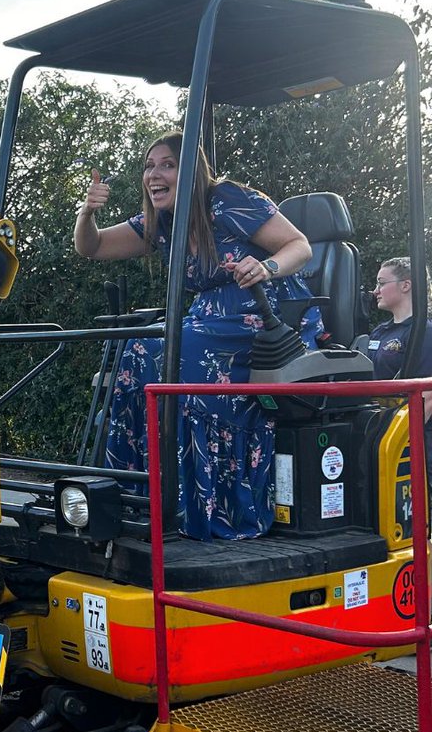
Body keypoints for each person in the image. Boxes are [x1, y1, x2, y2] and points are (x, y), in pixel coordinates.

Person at [74, 131, 321, 541]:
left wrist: (267, 268)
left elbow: (300, 246)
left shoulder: (226, 198)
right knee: (136, 350)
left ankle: (207, 509)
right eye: (149, 166)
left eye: (167, 164)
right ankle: (142, 497)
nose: (155, 173)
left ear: (191, 169)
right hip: (207, 321)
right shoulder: (164, 221)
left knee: (180, 357)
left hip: (266, 317)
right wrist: (87, 212)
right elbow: (93, 246)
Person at [367, 256, 432, 479]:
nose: (375, 290)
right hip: (380, 430)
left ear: (406, 285)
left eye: (381, 283)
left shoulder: (424, 332)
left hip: (411, 439)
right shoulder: (379, 332)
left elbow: (428, 395)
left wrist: (397, 439)